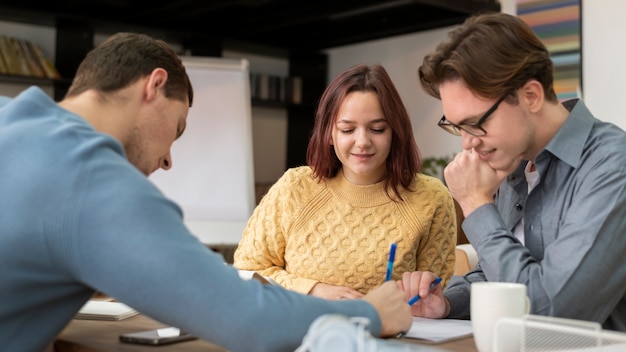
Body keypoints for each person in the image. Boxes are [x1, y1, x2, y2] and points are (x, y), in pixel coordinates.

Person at [0, 33, 414, 352]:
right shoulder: (90, 177)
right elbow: (246, 319)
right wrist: (369, 313)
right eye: (177, 130)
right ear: (154, 86)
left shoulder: (10, 117)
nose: (167, 161)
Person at [402, 12, 626, 331]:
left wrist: (476, 204)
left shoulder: (611, 164)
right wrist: (450, 302)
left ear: (531, 96)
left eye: (475, 123)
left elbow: (553, 311)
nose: (467, 143)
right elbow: (502, 271)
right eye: (457, 126)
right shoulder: (515, 162)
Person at [234, 63, 457, 301]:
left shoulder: (430, 198)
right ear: (329, 133)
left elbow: (436, 296)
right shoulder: (294, 188)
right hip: (300, 332)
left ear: (395, 131)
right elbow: (247, 271)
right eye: (347, 130)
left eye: (378, 129)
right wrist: (313, 290)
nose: (362, 142)